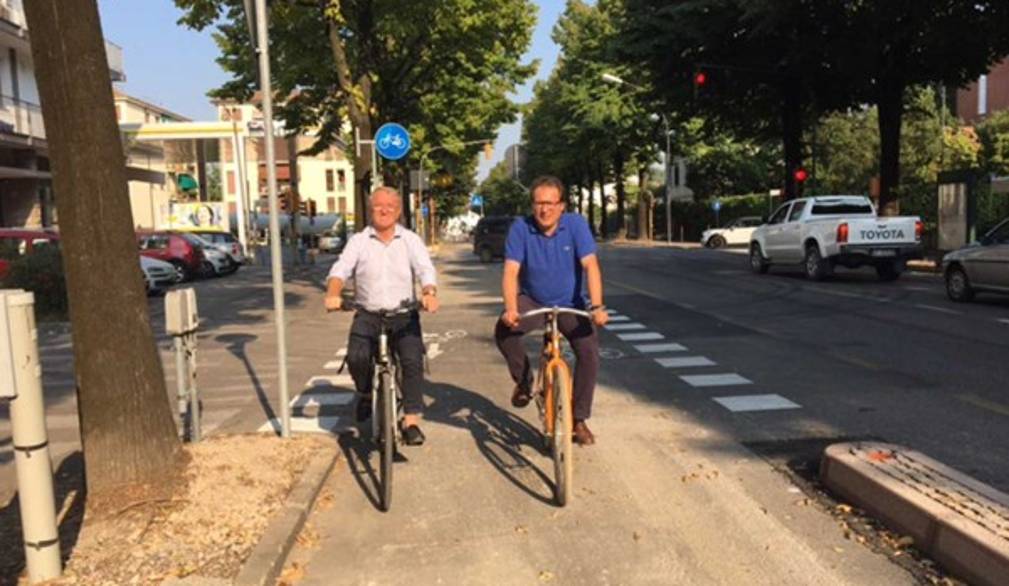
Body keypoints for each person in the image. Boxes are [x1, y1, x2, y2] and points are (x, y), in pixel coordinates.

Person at [495, 175, 608, 446]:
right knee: (503, 331)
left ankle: (579, 419)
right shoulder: (521, 228)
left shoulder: (576, 225)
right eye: (538, 203)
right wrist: (511, 309)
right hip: (533, 300)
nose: (544, 209)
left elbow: (590, 265)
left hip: (571, 303)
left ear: (562, 206)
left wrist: (597, 306)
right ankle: (524, 382)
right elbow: (511, 271)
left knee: (589, 352)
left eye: (550, 203)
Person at [324, 187, 439, 446]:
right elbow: (341, 269)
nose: (384, 210)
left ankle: (410, 421)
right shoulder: (359, 241)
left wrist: (429, 292)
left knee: (412, 361)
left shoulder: (409, 240)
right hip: (368, 313)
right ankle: (365, 393)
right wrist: (333, 294)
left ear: (398, 211)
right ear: (370, 210)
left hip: (404, 314)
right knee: (357, 356)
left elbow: (425, 269)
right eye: (378, 206)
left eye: (390, 206)